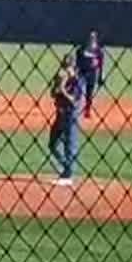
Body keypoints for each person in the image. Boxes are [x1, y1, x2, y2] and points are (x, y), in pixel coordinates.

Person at [48, 55, 82, 185]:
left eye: (68, 65)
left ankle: (68, 172)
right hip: (60, 114)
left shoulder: (76, 80)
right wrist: (57, 85)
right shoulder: (61, 75)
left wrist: (64, 91)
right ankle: (66, 167)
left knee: (69, 143)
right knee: (52, 144)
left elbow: (75, 99)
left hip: (69, 115)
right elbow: (53, 93)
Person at [74, 30, 107, 117]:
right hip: (82, 73)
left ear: (95, 38)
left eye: (93, 37)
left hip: (92, 74)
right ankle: (75, 108)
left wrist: (101, 77)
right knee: (78, 90)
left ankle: (87, 110)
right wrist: (75, 74)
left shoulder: (99, 51)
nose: (91, 38)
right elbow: (77, 63)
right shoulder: (81, 50)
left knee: (89, 93)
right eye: (90, 37)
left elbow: (101, 65)